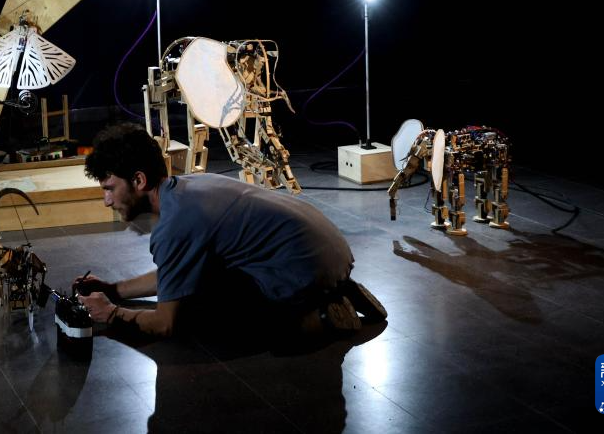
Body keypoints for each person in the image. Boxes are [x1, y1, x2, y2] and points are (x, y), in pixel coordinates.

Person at [76, 123, 386, 338]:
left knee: (198, 312)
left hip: (309, 266)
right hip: (330, 250)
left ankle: (319, 317)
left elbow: (164, 324)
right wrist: (115, 290)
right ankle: (337, 288)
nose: (107, 201)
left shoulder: (175, 224)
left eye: (109, 189)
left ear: (139, 180)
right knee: (198, 274)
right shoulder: (187, 187)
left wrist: (111, 313)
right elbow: (174, 272)